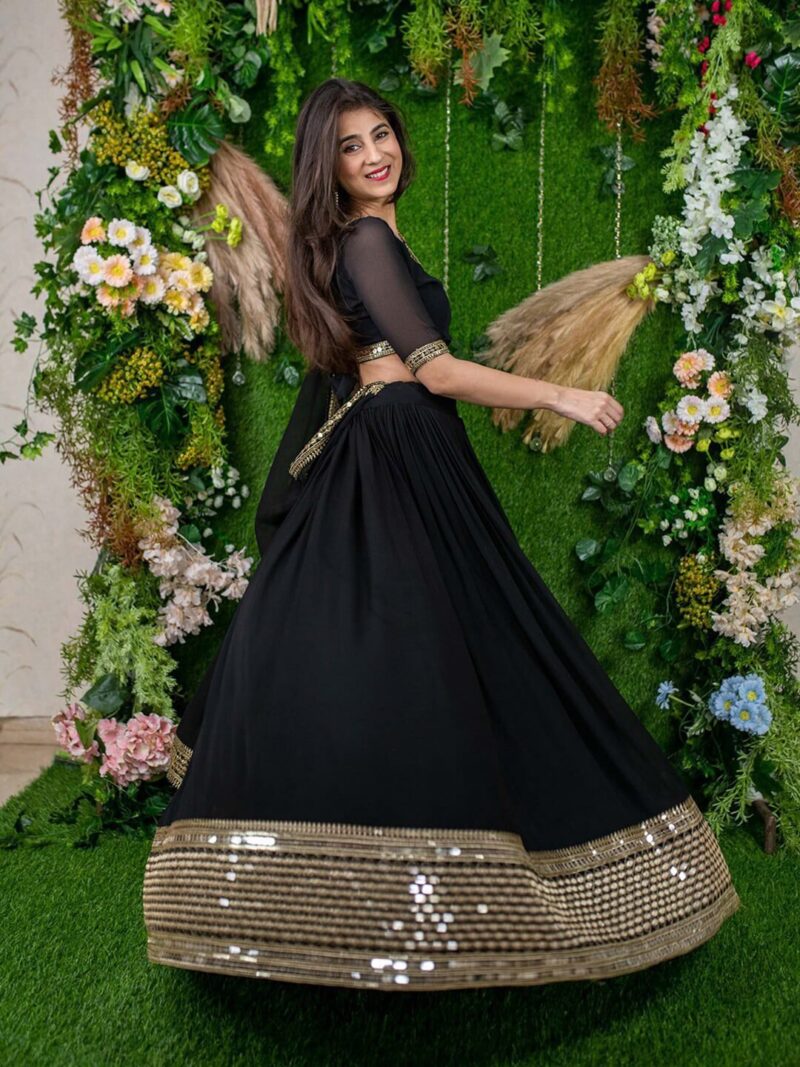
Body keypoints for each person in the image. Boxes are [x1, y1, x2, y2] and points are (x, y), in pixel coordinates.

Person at [142, 77, 740, 992]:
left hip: (395, 451)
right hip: (396, 456)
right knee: (452, 658)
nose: (374, 154)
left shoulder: (360, 239)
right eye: (350, 146)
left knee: (418, 667)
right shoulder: (367, 239)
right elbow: (439, 371)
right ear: (327, 167)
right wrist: (563, 394)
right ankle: (405, 895)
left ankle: (370, 894)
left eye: (381, 134)